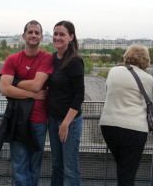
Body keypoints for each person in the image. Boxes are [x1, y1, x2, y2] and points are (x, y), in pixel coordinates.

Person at [0, 20, 53, 186]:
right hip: (18, 120)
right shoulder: (12, 59)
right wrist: (33, 95)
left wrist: (15, 81)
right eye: (30, 32)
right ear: (23, 36)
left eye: (37, 33)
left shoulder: (47, 58)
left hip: (38, 121)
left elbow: (37, 85)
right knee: (20, 167)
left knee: (33, 167)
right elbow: (4, 90)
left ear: (42, 37)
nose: (33, 35)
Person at [99, 44, 153, 186]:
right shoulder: (148, 79)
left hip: (109, 125)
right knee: (127, 173)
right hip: (135, 128)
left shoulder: (113, 71)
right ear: (146, 59)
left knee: (123, 167)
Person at [47, 20, 85, 186]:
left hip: (69, 122)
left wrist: (65, 124)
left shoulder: (75, 61)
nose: (57, 37)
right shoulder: (53, 58)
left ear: (71, 37)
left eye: (61, 34)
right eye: (55, 34)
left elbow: (79, 96)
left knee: (70, 168)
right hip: (53, 118)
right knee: (56, 165)